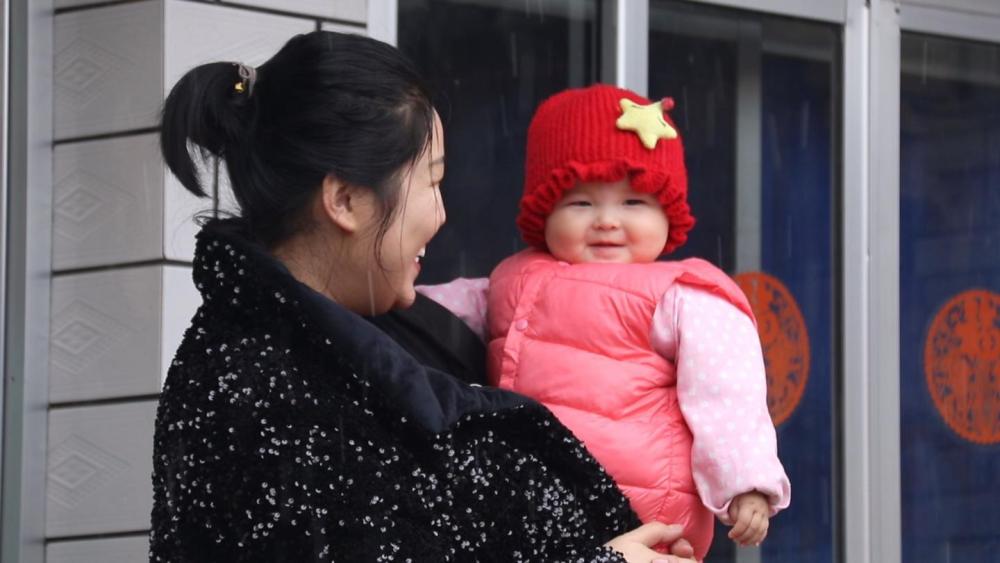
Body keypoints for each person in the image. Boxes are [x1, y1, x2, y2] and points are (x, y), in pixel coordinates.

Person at [149, 31, 700, 562]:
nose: (441, 214)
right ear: (345, 200)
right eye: (432, 182)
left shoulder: (367, 340)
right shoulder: (264, 391)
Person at [418, 85, 791, 561]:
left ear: (667, 211)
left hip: (643, 519)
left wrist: (745, 482)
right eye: (582, 203)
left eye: (633, 203)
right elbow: (428, 313)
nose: (607, 221)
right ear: (545, 211)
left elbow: (726, 391)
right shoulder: (512, 280)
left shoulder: (680, 294)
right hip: (533, 517)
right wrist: (366, 301)